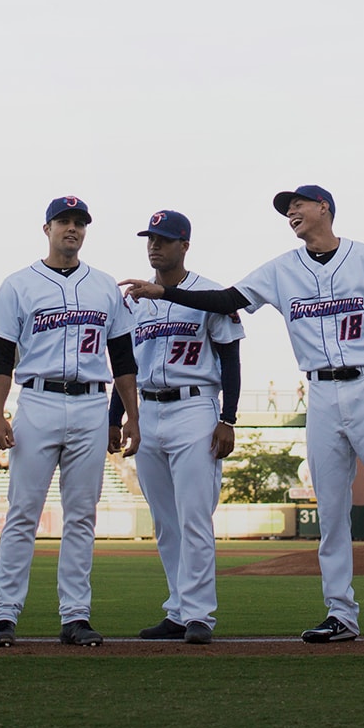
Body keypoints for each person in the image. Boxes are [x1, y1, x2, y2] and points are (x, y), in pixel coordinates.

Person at [122, 184, 364, 645]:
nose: (291, 213)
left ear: (324, 208)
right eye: (287, 210)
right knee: (331, 508)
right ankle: (340, 613)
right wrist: (164, 292)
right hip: (320, 392)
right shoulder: (283, 268)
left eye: (297, 205)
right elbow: (226, 301)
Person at [0, 196, 139, 647]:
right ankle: (4, 614)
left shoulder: (104, 285)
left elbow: (123, 357)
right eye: (64, 221)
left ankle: (75, 615)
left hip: (92, 402)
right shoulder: (19, 284)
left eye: (79, 222)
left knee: (81, 516)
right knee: (23, 513)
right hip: (39, 399)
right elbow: (0, 357)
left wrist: (130, 414)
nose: (72, 228)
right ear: (46, 228)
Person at [108, 209, 243, 645]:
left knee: (194, 517)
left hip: (194, 408)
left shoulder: (210, 294)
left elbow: (230, 357)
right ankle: (179, 610)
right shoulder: (132, 301)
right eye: (151, 238)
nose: (155, 246)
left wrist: (228, 417)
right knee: (166, 521)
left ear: (185, 245)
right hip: (146, 409)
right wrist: (116, 417)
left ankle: (200, 614)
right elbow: (125, 366)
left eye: (165, 239)